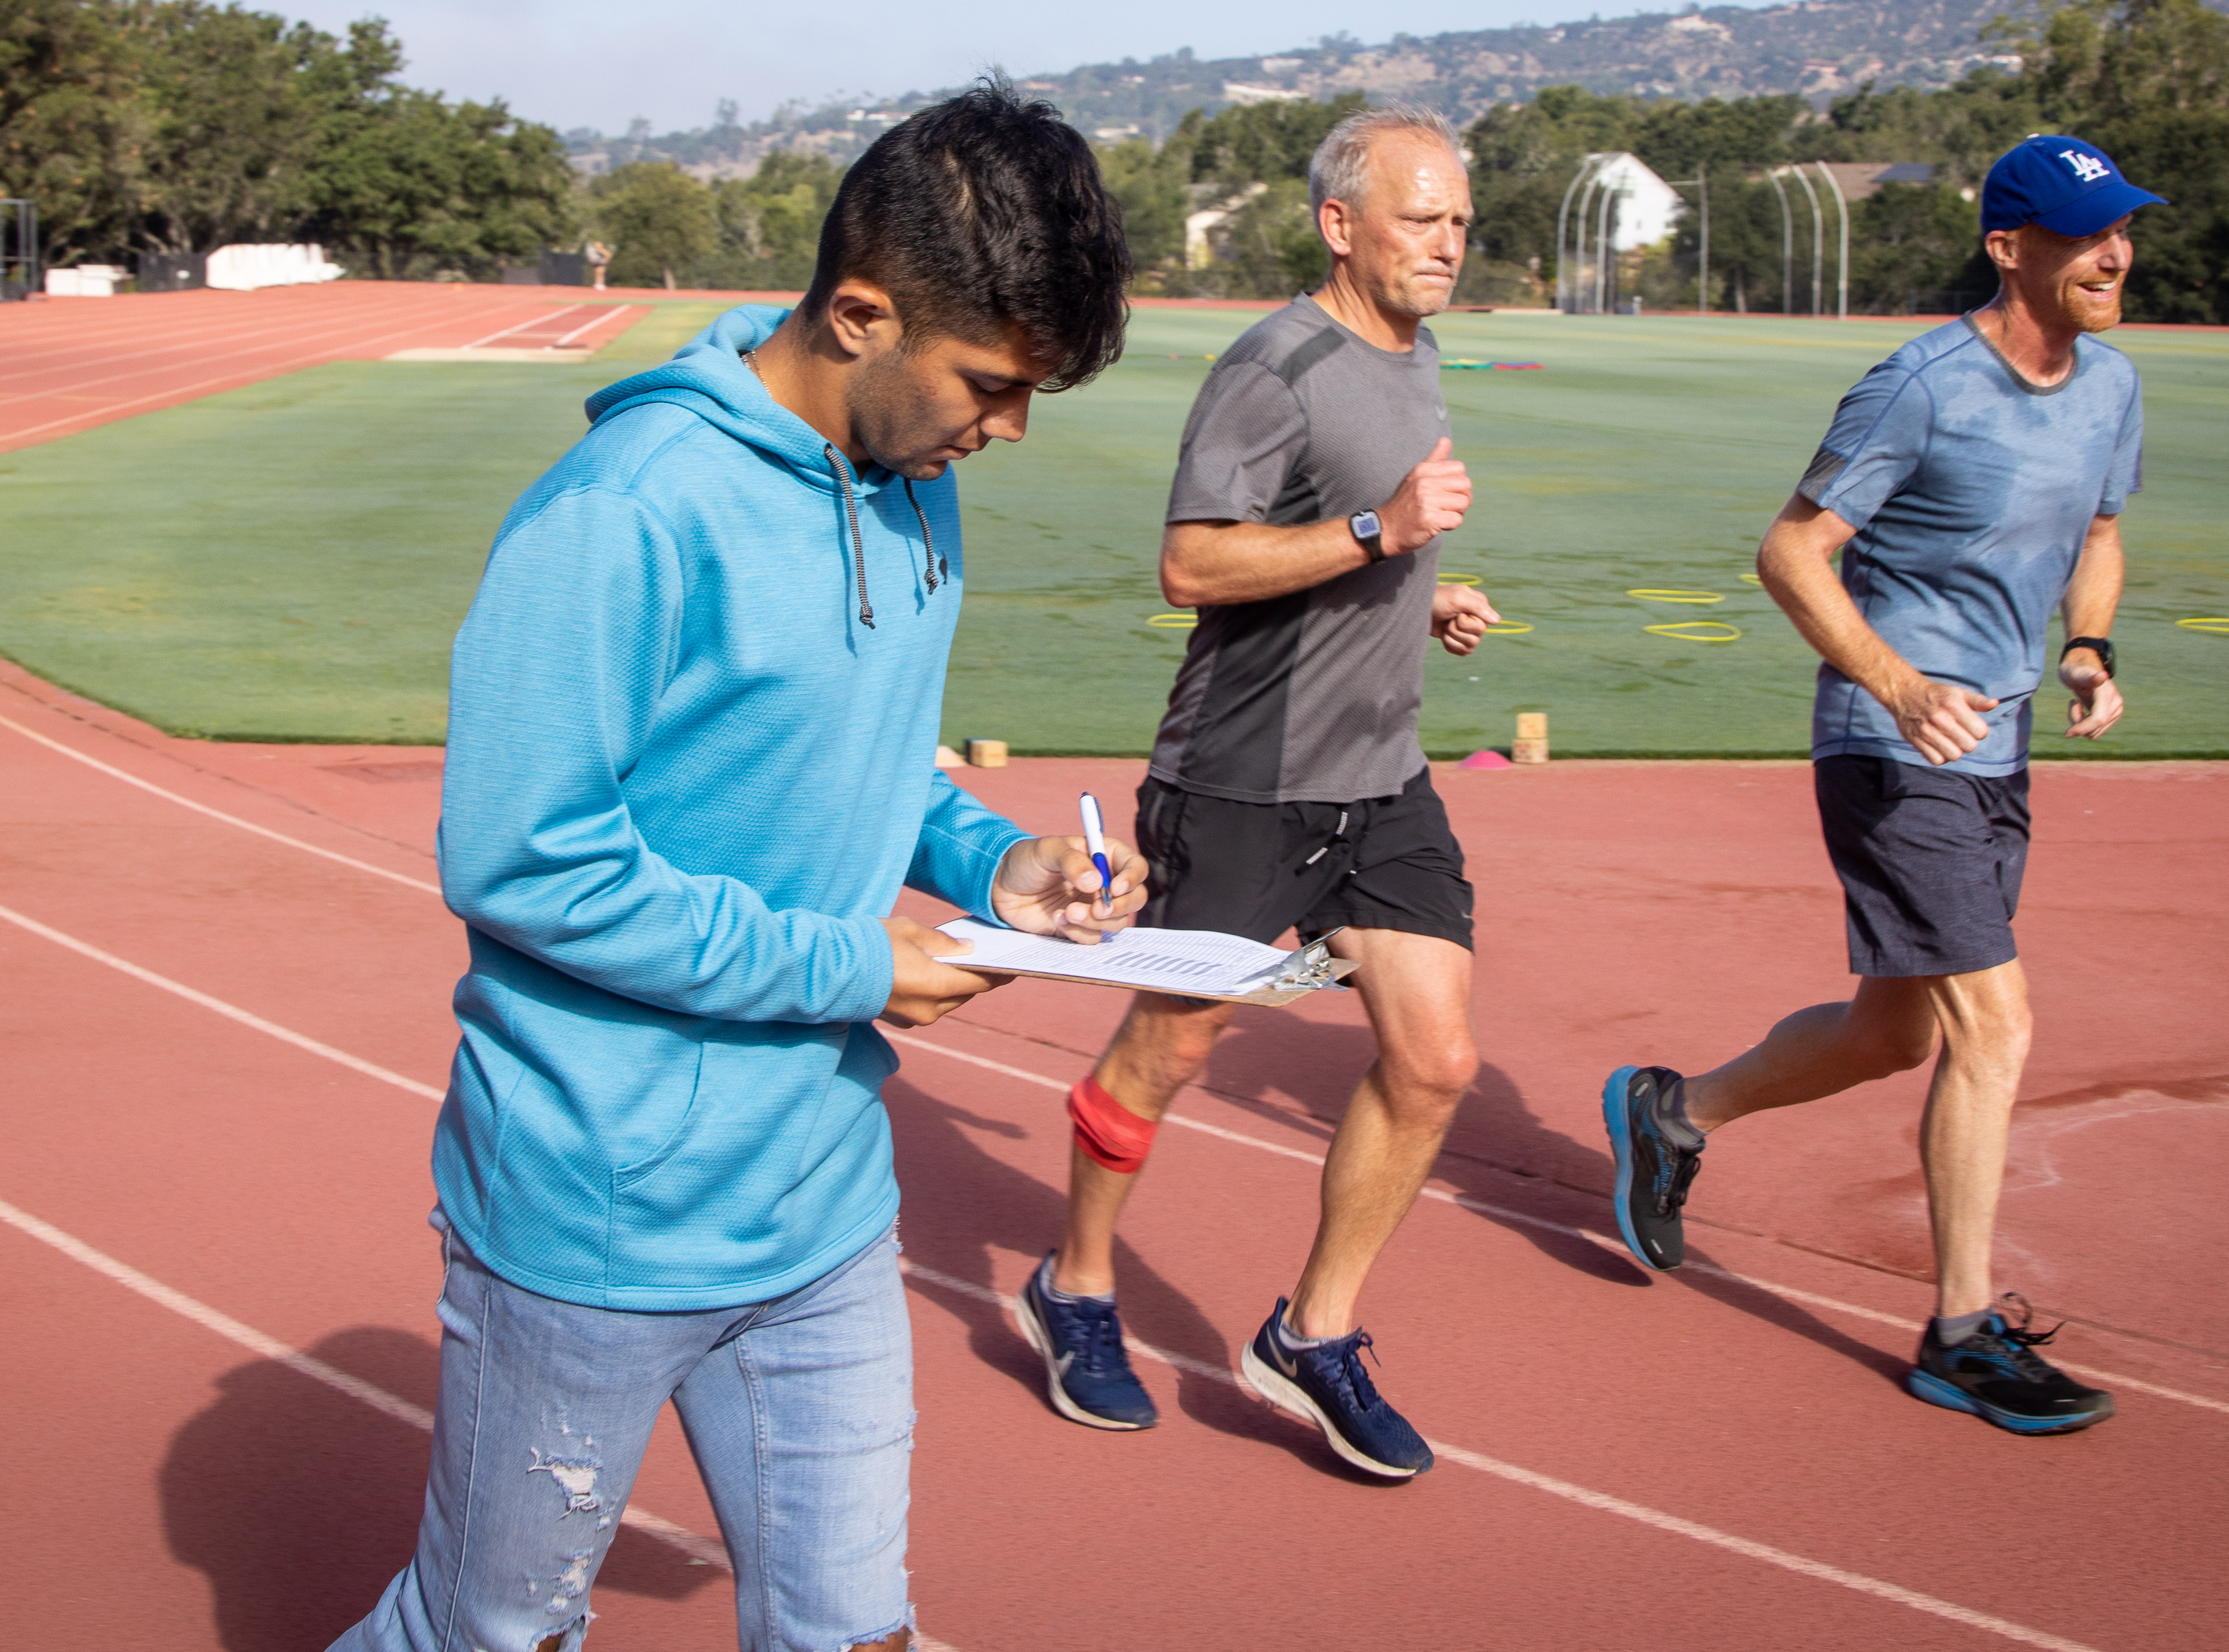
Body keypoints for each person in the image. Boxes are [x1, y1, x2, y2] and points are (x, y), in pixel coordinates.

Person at [331, 84, 1149, 1652]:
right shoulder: (625, 513)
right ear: (860, 313)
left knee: (852, 1634)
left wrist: (993, 865)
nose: (1009, 429)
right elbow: (527, 864)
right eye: (990, 382)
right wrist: (856, 967)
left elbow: (862, 753)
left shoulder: (917, 487)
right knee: (488, 1636)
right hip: (599, 1210)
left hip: (822, 1198)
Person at [1601, 132, 2154, 1436]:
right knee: (1997, 1028)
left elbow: (2105, 537)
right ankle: (1960, 1335)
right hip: (1891, 746)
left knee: (1900, 1032)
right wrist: (1899, 681)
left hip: (2001, 746)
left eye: (2125, 228)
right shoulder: (1921, 385)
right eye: (2087, 235)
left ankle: (1677, 1113)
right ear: (2011, 249)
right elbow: (1793, 552)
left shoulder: (2114, 384)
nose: (2116, 252)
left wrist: (2086, 646)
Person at [1012, 102, 1499, 1481]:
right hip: (1246, 777)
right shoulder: (1271, 366)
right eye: (1422, 217)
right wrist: (1378, 534)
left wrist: (1422, 590)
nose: (1448, 244)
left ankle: (1312, 1333)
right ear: (1341, 225)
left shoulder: (1418, 351)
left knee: (1435, 1059)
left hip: (1383, 778)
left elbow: (1366, 549)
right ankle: (1079, 1287)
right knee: (1168, 1053)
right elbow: (1194, 567)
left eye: (1460, 220)